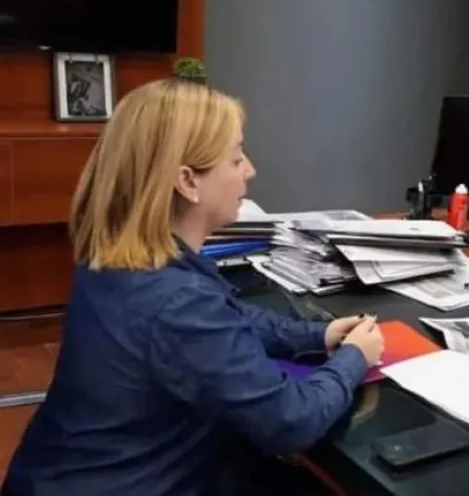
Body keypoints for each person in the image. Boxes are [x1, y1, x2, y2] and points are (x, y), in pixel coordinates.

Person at [1, 79, 384, 496]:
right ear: (188, 181)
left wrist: (315, 334)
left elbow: (227, 319)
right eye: (236, 159)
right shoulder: (178, 300)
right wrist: (353, 359)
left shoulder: (121, 259)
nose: (250, 170)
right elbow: (292, 420)